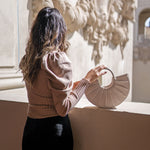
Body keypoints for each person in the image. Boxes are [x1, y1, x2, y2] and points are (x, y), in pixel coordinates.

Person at [19, 7, 106, 150]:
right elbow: (63, 108)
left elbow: (45, 90)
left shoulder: (30, 59)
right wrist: (86, 81)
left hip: (31, 129)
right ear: (59, 31)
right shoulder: (57, 60)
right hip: (52, 133)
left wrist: (74, 85)